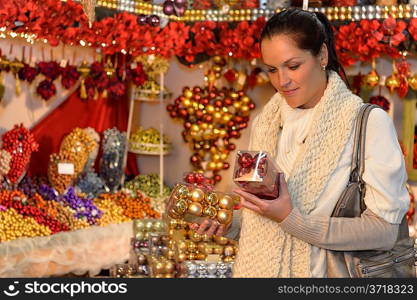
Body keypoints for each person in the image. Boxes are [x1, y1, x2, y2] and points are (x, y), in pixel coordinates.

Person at [192, 7, 410, 277]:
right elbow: (267, 225)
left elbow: (384, 232)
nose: (282, 81)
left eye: (293, 66)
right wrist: (228, 224)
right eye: (272, 70)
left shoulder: (366, 122)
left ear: (322, 55)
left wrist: (292, 220)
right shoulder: (265, 122)